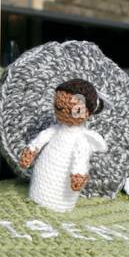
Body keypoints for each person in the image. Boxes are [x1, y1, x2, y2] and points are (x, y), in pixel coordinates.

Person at [19, 79, 107, 213]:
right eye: (57, 104)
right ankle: (37, 195)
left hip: (62, 193)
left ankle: (56, 202)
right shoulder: (54, 131)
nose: (61, 108)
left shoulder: (81, 140)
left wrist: (78, 175)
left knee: (58, 196)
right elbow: (40, 139)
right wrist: (31, 151)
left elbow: (80, 160)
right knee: (41, 186)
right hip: (43, 173)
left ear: (87, 112)